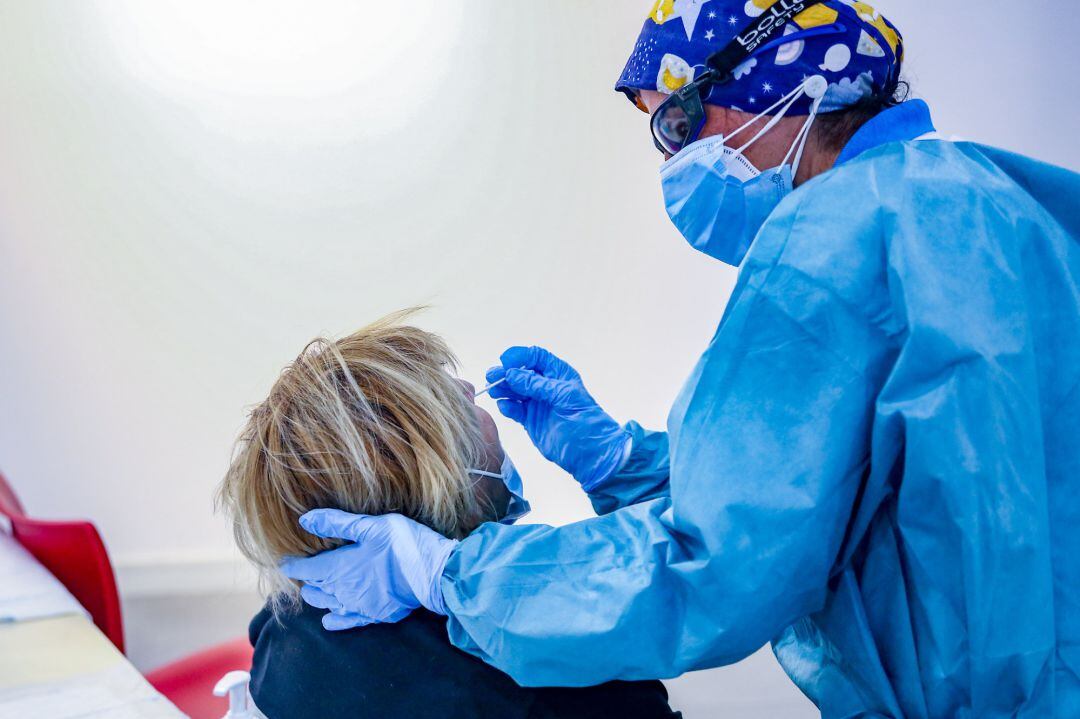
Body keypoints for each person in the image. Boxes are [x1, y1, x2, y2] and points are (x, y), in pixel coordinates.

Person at [282, 2, 1080, 716]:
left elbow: (719, 567)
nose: (671, 166)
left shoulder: (829, 245)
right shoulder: (1011, 198)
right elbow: (835, 504)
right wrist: (625, 462)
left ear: (776, 85)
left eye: (675, 126)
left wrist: (447, 575)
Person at [217, 313, 681, 719]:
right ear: (443, 484)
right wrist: (626, 471)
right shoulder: (561, 683)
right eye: (455, 400)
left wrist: (624, 468)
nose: (467, 386)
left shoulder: (285, 632)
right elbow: (710, 567)